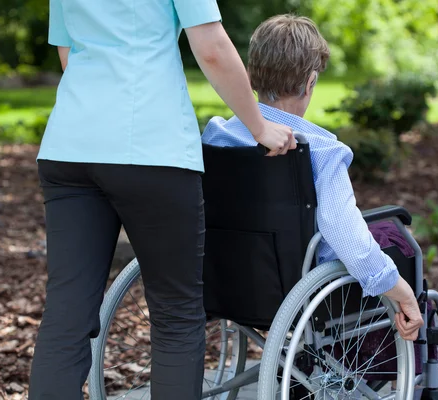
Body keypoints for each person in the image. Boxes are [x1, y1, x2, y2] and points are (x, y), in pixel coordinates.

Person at [29, 1, 296, 399]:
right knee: (176, 314)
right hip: (152, 148)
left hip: (70, 147)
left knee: (66, 315)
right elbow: (210, 47)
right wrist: (257, 126)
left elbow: (68, 52)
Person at [201, 14, 424, 341]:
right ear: (311, 83)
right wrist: (399, 290)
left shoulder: (216, 136)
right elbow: (345, 234)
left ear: (249, 78)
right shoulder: (321, 150)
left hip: (230, 278)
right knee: (398, 245)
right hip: (305, 290)